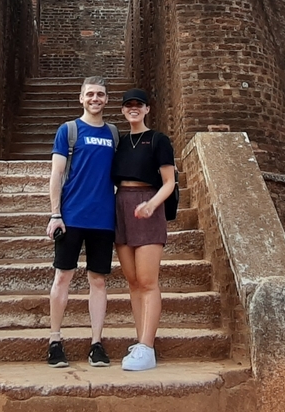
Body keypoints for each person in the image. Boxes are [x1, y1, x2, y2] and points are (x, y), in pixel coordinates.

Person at [43, 76, 117, 368]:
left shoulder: (113, 133)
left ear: (106, 99)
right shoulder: (69, 130)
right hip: (71, 216)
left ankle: (96, 343)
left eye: (100, 94)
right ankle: (55, 340)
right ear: (81, 98)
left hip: (103, 220)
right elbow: (57, 174)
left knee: (98, 281)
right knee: (62, 277)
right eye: (90, 94)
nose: (95, 99)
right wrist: (55, 213)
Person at [111, 88, 176, 372]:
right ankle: (141, 342)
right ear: (124, 111)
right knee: (133, 282)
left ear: (147, 109)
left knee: (148, 281)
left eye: (139, 105)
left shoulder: (158, 140)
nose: (134, 108)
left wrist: (152, 204)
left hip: (148, 203)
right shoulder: (121, 142)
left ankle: (148, 347)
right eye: (129, 105)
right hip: (121, 206)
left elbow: (169, 181)